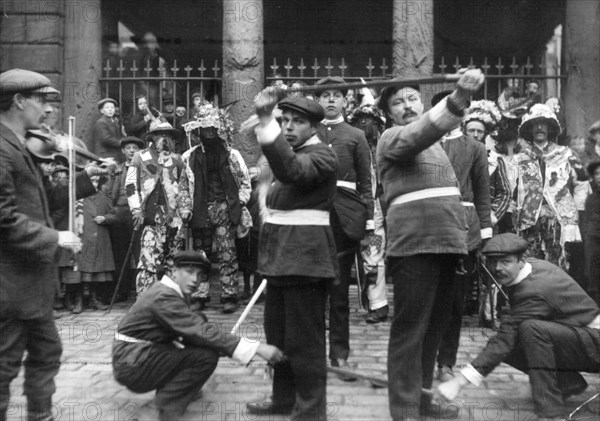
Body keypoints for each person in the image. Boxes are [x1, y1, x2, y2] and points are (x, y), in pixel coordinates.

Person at [376, 68, 485, 421]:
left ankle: (422, 398)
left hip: (448, 245)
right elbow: (419, 133)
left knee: (434, 329)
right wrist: (457, 100)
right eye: (397, 102)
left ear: (420, 101)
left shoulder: (437, 147)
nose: (406, 106)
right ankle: (404, 408)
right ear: (388, 112)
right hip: (414, 247)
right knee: (411, 330)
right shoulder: (392, 138)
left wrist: (463, 241)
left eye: (411, 98)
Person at [0, 68, 108, 421]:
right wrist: (54, 236)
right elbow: (3, 218)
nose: (48, 112)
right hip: (10, 285)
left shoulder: (19, 145)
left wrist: (86, 178)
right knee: (4, 365)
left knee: (47, 352)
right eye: (41, 102)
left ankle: (40, 416)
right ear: (18, 101)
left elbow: (44, 199)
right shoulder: (2, 149)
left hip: (32, 285)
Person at [436, 233, 600, 421]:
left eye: (505, 262)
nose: (497, 268)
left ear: (521, 260)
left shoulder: (534, 290)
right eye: (492, 261)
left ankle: (550, 412)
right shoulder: (533, 266)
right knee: (517, 336)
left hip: (595, 344)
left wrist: (459, 381)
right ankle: (566, 383)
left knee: (531, 331)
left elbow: (503, 340)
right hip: (582, 337)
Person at [245, 93, 338, 420]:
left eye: (297, 122)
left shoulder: (322, 156)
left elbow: (291, 171)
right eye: (283, 121)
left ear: (315, 126)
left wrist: (266, 119)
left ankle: (311, 412)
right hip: (279, 262)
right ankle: (283, 400)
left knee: (306, 345)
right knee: (279, 338)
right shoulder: (289, 154)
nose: (288, 127)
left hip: (307, 263)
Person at [112, 250, 284, 421]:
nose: (195, 280)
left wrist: (220, 344)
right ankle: (156, 410)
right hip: (131, 363)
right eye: (189, 272)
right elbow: (199, 331)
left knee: (202, 328)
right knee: (205, 357)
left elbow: (198, 328)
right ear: (173, 271)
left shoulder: (170, 291)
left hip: (136, 355)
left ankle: (178, 390)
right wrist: (257, 347)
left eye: (200, 275)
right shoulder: (164, 295)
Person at [315, 76, 373, 379]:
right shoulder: (306, 132)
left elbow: (366, 181)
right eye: (325, 95)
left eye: (337, 95)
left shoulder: (355, 135)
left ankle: (339, 355)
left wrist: (368, 221)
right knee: (310, 289)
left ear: (345, 100)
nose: (331, 100)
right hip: (312, 216)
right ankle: (309, 356)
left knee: (339, 294)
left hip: (344, 217)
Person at [436, 99, 493, 382]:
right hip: (428, 227)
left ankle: (446, 361)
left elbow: (483, 194)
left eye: (457, 110)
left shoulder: (475, 147)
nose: (452, 115)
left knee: (455, 301)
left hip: (463, 230)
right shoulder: (424, 144)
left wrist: (484, 233)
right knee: (427, 300)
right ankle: (421, 358)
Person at [179, 102, 251, 314]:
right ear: (199, 130)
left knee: (227, 253)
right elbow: (184, 186)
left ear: (219, 130)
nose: (209, 133)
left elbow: (245, 181)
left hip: (224, 209)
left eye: (213, 129)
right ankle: (200, 295)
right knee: (200, 255)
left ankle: (229, 295)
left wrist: (240, 202)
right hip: (199, 210)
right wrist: (185, 208)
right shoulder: (189, 157)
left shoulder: (232, 155)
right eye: (205, 129)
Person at [514, 104, 586, 269]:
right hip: (529, 223)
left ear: (550, 128)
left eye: (543, 123)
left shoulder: (565, 154)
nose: (539, 127)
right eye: (535, 124)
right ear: (530, 129)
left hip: (559, 223)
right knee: (530, 266)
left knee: (557, 266)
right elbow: (513, 191)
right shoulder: (520, 159)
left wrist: (575, 212)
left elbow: (581, 183)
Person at [126, 120, 186, 295]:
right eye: (159, 134)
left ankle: (169, 301)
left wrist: (185, 210)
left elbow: (184, 187)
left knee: (173, 262)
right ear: (151, 137)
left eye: (168, 135)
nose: (164, 138)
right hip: (150, 218)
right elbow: (130, 185)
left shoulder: (178, 160)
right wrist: (136, 209)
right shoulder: (140, 157)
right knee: (148, 261)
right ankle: (144, 301)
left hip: (174, 219)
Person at [347, 104, 389, 323]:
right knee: (371, 252)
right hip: (362, 209)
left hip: (385, 208)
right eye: (359, 120)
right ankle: (376, 302)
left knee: (375, 253)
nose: (364, 123)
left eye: (368, 119)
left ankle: (378, 303)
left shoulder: (387, 145)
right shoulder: (353, 145)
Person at [109, 136, 145, 302]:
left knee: (139, 252)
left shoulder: (143, 167)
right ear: (123, 151)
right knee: (120, 253)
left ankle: (141, 290)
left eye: (135, 148)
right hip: (119, 213)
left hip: (136, 213)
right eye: (129, 148)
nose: (132, 151)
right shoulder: (117, 169)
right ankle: (121, 291)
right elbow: (109, 192)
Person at [583, 160, 600, 305]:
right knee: (594, 277)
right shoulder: (591, 199)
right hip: (595, 242)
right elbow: (589, 224)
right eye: (597, 174)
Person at [89, 98, 124, 163]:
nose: (110, 109)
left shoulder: (114, 122)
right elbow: (106, 139)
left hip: (112, 154)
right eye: (107, 108)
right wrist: (121, 143)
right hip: (104, 155)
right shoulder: (101, 122)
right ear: (102, 111)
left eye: (112, 107)